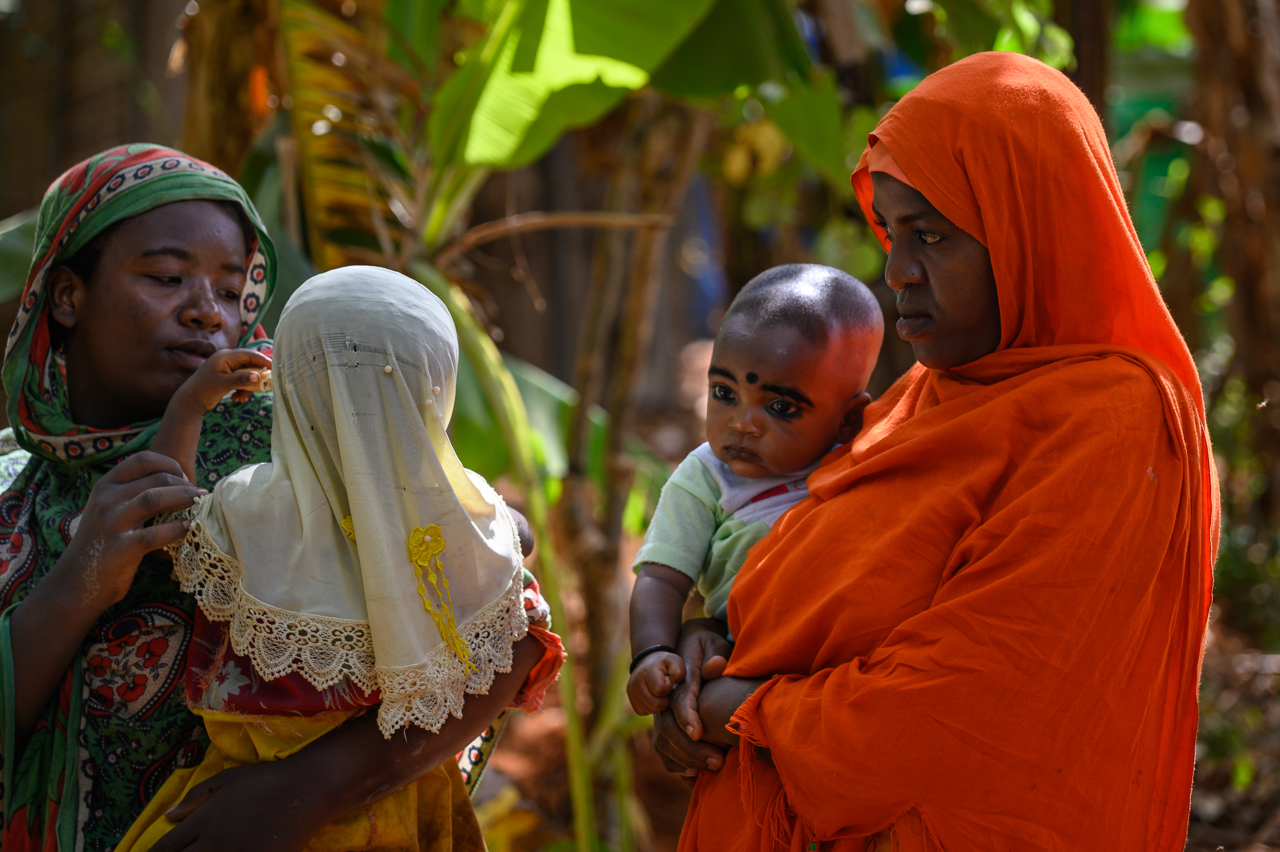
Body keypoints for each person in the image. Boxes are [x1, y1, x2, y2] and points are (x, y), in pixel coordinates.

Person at [654, 53, 1219, 851]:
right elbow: (800, 565)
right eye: (891, 231)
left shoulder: (1113, 424)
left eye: (932, 236)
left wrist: (741, 711)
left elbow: (966, 700)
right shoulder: (928, 395)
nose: (897, 272)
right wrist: (710, 639)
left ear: (1030, 228)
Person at [0, 145, 547, 852]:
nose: (205, 313)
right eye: (168, 278)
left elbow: (509, 636)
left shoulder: (307, 451)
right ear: (68, 295)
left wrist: (309, 789)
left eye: (232, 291)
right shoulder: (12, 484)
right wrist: (81, 579)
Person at [112, 265, 562, 851]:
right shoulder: (469, 520)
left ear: (290, 387)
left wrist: (189, 408)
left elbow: (163, 517)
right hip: (402, 806)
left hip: (237, 804)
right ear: (438, 386)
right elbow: (523, 642)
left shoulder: (249, 508)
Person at [626, 265, 881, 727]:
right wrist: (653, 650)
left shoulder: (864, 463)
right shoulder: (704, 479)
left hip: (845, 673)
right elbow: (662, 579)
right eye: (724, 392)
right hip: (745, 661)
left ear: (847, 421)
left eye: (780, 407)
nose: (742, 422)